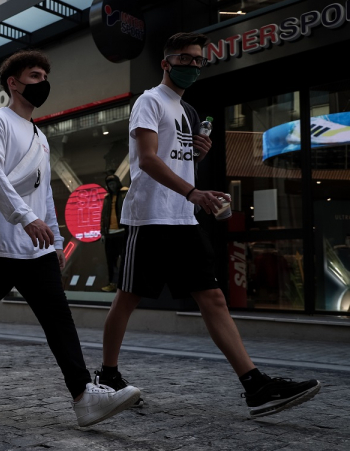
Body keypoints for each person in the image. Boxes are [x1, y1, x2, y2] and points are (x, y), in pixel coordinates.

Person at [99, 32, 320, 418]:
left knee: (213, 298)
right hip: (151, 217)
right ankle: (108, 376)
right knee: (127, 298)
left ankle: (255, 386)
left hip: (183, 217)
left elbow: (175, 158)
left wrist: (197, 158)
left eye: (198, 60)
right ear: (166, 63)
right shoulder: (149, 101)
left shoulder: (190, 112)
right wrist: (193, 192)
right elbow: (147, 159)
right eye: (185, 59)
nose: (193, 66)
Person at [0, 49, 140, 428]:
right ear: (13, 83)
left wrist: (54, 241)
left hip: (35, 248)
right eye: (35, 76)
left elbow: (45, 193)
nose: (42, 83)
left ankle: (84, 396)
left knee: (58, 317)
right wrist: (25, 218)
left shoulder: (40, 136)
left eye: (44, 76)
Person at [100, 173, 128, 292]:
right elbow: (103, 216)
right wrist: (103, 232)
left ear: (117, 183)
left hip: (122, 231)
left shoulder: (125, 193)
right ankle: (113, 283)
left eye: (113, 183)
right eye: (109, 184)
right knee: (111, 260)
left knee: (125, 260)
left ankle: (126, 285)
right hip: (110, 233)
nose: (112, 186)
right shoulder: (107, 197)